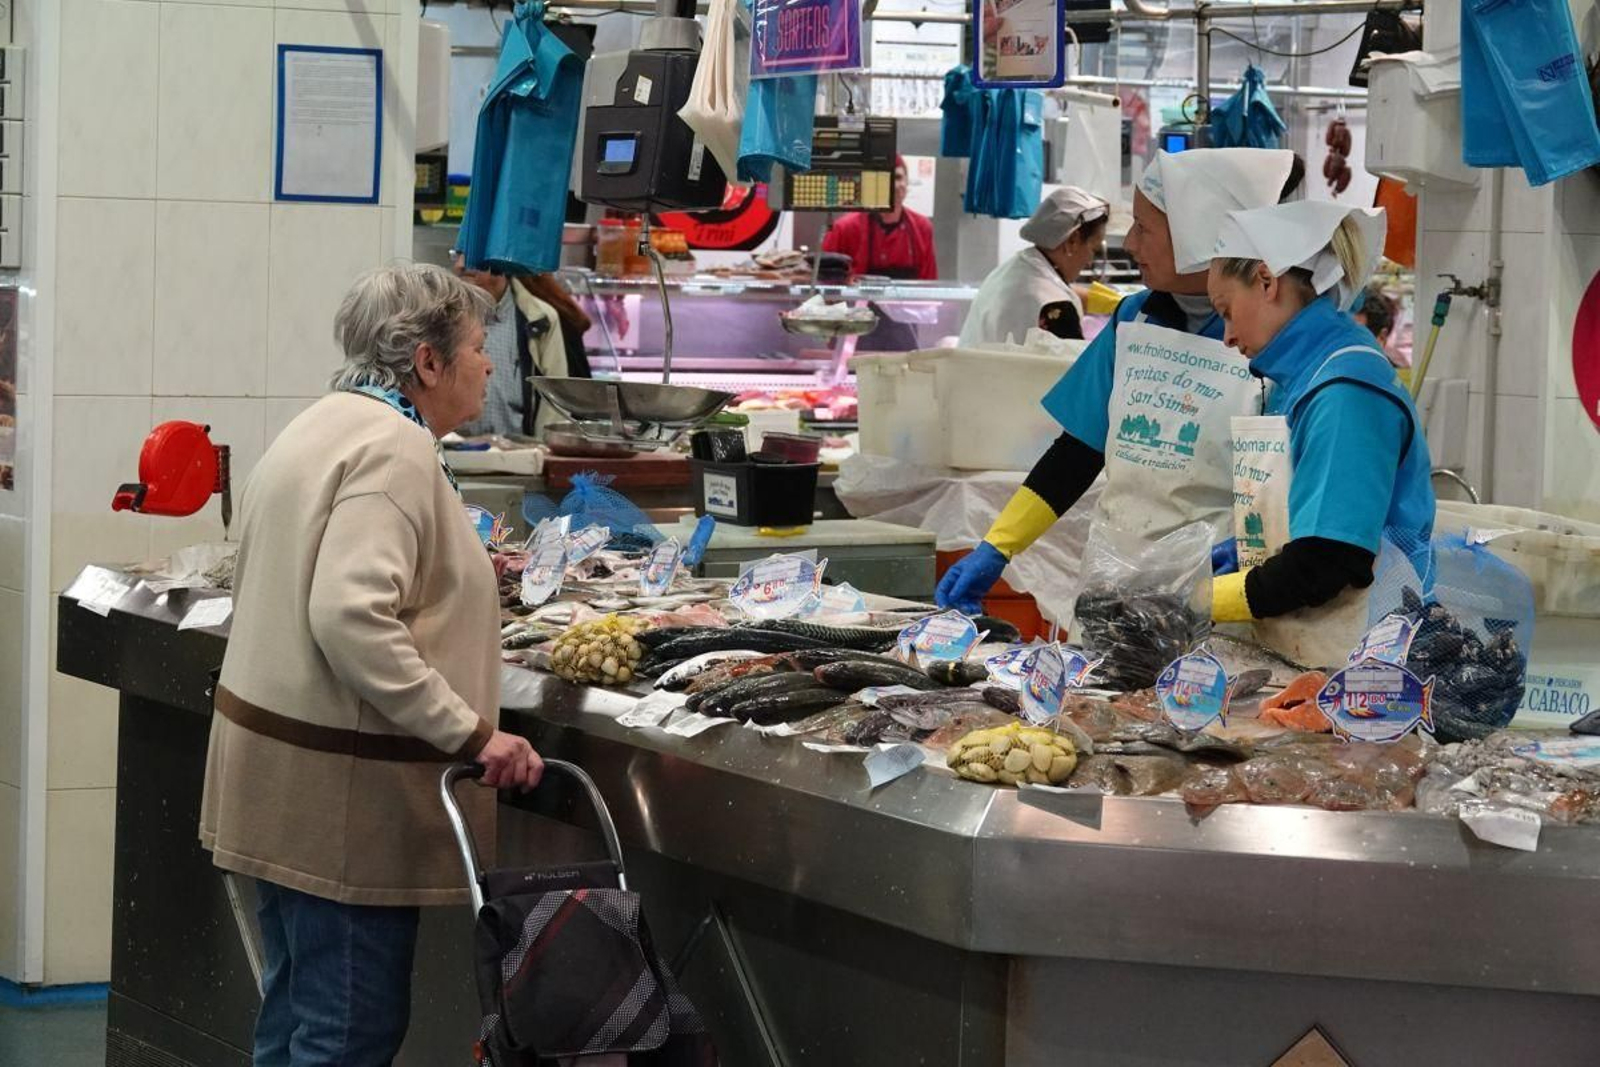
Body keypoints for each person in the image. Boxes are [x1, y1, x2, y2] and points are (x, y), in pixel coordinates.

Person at [200, 263, 545, 1065]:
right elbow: (350, 615)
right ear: (427, 361)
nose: (488, 365)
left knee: (295, 1018)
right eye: (477, 347)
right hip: (338, 804)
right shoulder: (393, 449)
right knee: (346, 1032)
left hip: (281, 781)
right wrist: (472, 734)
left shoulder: (325, 421)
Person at [937, 148, 1305, 615]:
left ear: (1198, 235)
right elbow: (1078, 450)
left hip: (1223, 602)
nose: (1129, 243)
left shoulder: (1273, 335)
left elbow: (1298, 481)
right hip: (1113, 593)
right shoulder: (1134, 318)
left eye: (1144, 229)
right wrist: (998, 546)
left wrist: (1254, 552)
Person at [1205, 200, 1434, 622]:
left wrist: (1201, 602)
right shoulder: (1300, 378)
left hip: (1360, 646)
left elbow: (1327, 562)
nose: (1228, 336)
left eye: (1227, 312)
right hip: (1300, 639)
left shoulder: (1346, 390)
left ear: (1266, 281)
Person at [452, 251, 593, 439]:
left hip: (520, 453)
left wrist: (541, 451)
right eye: (457, 254)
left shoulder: (539, 320)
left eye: (472, 253)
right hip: (450, 452)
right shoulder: (441, 316)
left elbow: (555, 403)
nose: (460, 264)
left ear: (501, 264)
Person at [957, 186, 1109, 346]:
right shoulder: (1055, 307)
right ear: (1072, 241)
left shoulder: (1013, 269)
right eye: (1094, 249)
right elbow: (1076, 362)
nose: (1090, 261)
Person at [821, 156, 938, 280]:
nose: (893, 185)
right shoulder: (844, 229)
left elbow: (929, 283)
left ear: (907, 182)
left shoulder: (922, 228)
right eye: (885, 179)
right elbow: (822, 279)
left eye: (898, 177)